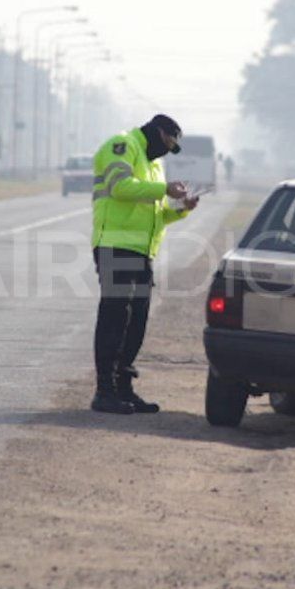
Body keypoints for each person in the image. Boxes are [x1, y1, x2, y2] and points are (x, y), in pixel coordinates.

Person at [90, 114, 198, 414]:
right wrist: (164, 190)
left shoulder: (154, 166)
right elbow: (119, 187)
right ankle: (104, 391)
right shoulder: (122, 145)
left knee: (136, 321)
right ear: (156, 132)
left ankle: (124, 388)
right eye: (167, 143)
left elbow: (158, 215)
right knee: (115, 317)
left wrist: (181, 209)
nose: (167, 151)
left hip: (141, 252)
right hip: (114, 246)